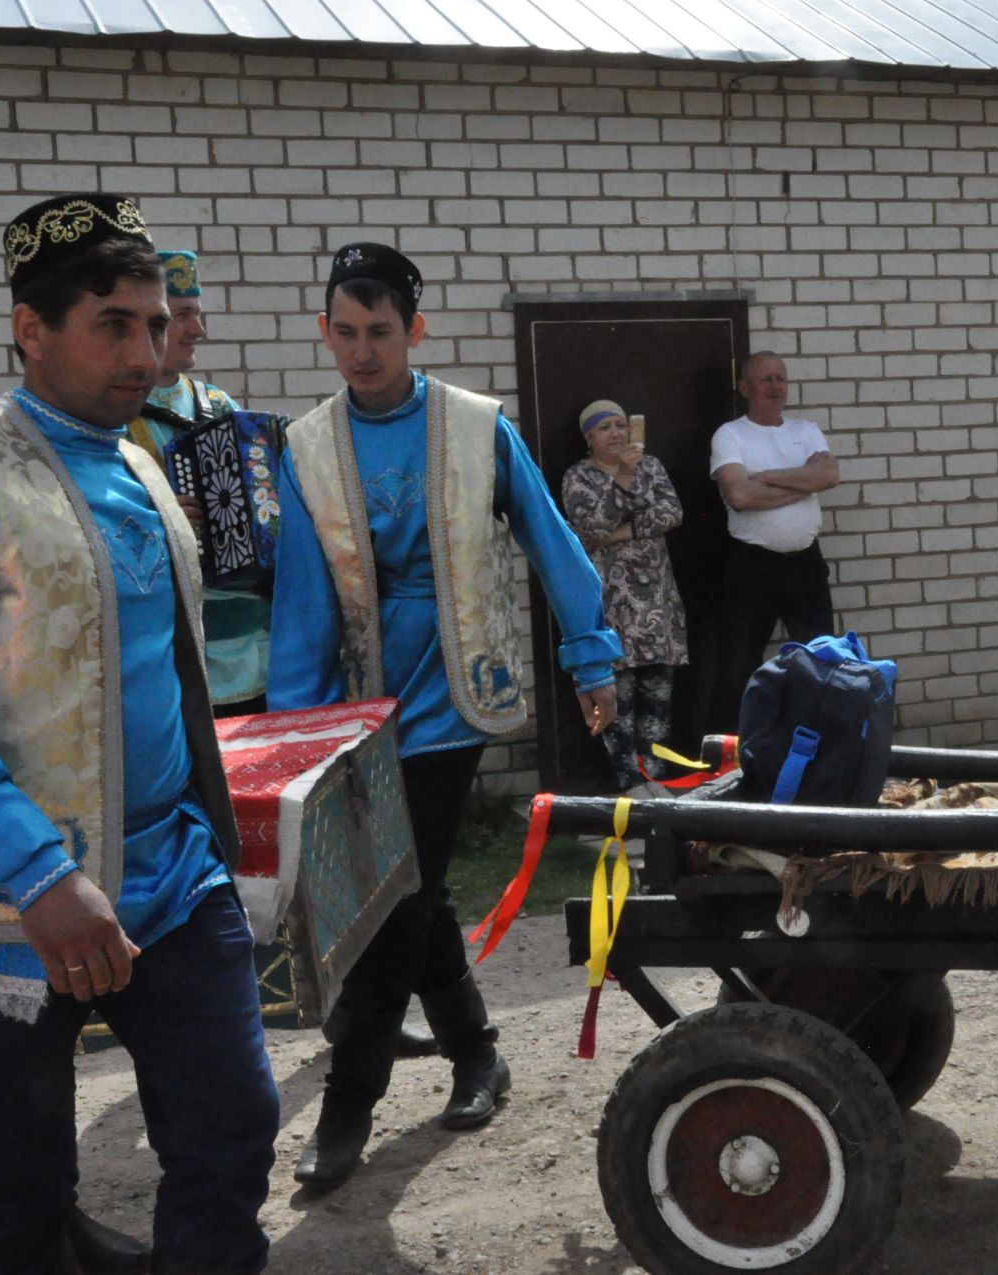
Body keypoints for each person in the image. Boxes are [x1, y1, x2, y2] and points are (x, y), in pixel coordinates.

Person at [0, 195, 280, 1274]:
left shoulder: (137, 460)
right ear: (30, 329)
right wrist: (36, 874)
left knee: (230, 1133)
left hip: (173, 875)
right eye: (114, 323)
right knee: (20, 1186)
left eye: (154, 322)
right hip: (14, 908)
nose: (144, 350)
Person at [270, 242, 621, 1188]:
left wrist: (591, 655)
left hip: (457, 695)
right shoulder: (306, 446)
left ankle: (347, 1108)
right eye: (344, 332)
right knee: (412, 888)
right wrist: (293, 734)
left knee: (393, 907)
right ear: (325, 333)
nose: (362, 350)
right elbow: (301, 598)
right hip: (360, 705)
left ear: (415, 330)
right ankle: (478, 1052)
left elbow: (548, 539)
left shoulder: (474, 427)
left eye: (380, 331)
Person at [126, 249, 272, 717]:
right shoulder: (116, 416)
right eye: (183, 316)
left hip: (255, 640)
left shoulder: (217, 404)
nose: (198, 331)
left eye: (198, 314)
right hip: (170, 645)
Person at [707, 351, 841, 729]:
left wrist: (766, 476)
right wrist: (803, 483)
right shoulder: (731, 434)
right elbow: (741, 497)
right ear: (745, 387)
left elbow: (829, 476)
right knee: (736, 666)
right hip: (752, 567)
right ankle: (724, 759)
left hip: (805, 565)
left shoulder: (805, 430)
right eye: (765, 379)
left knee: (821, 660)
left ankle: (819, 748)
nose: (775, 386)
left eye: (780, 378)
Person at [561, 399, 689, 794]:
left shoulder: (651, 466)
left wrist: (624, 532)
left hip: (656, 601)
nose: (616, 433)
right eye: (604, 427)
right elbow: (588, 525)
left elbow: (672, 513)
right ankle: (629, 780)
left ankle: (655, 777)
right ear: (588, 437)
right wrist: (625, 479)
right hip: (611, 601)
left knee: (657, 691)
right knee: (619, 692)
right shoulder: (578, 477)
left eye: (620, 424)